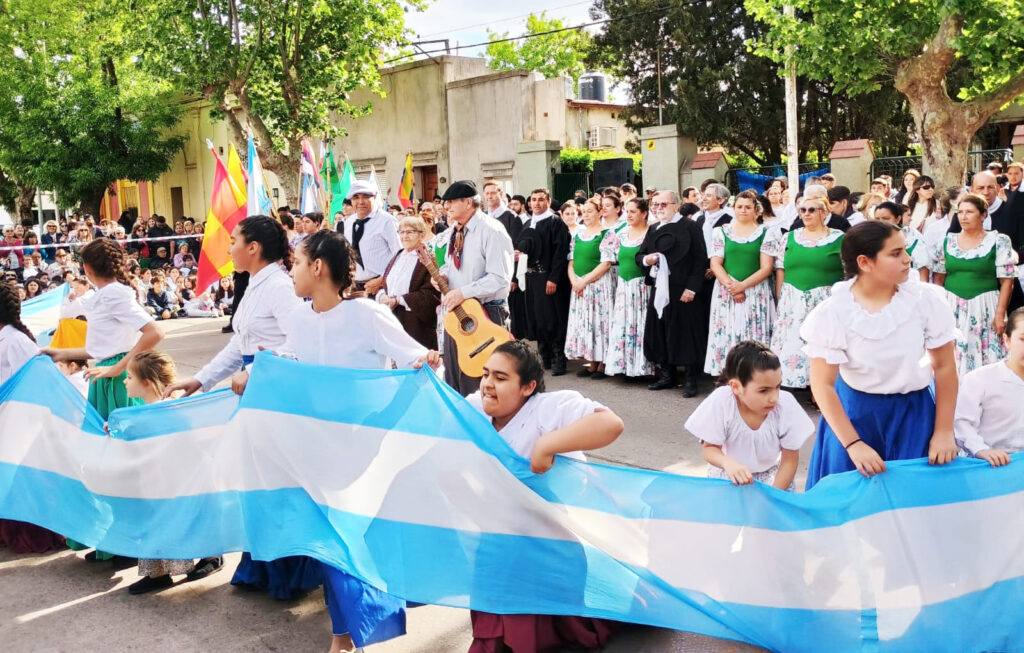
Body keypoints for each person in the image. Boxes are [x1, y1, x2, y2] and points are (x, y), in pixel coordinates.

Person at [233, 230, 439, 653]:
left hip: (361, 450)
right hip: (313, 450)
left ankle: (345, 633)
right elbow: (284, 360)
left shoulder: (366, 314)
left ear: (318, 268)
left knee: (347, 535)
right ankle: (345, 631)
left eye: (296, 262)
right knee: (330, 539)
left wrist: (418, 375)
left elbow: (414, 359)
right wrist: (247, 376)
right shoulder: (303, 319)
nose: (291, 271)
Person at [163, 215, 303, 588]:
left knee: (273, 481)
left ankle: (286, 570)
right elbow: (238, 346)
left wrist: (255, 373)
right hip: (252, 394)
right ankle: (259, 564)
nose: (228, 248)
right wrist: (201, 378)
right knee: (253, 480)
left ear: (253, 248)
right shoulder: (256, 284)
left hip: (273, 396)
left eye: (233, 240)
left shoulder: (278, 287)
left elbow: (299, 344)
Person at [466, 340, 624, 653]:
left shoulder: (548, 408)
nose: (487, 385)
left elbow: (611, 424)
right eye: (485, 375)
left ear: (528, 387)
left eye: (500, 378)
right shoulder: (474, 408)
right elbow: (428, 418)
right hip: (497, 545)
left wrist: (547, 444)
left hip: (549, 546)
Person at [802, 221, 959, 488]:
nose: (908, 259)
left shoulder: (926, 300)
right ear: (865, 262)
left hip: (915, 416)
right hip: (854, 417)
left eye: (905, 251)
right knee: (852, 509)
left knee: (911, 503)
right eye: (895, 253)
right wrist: (853, 444)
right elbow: (822, 384)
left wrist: (943, 431)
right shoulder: (833, 312)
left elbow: (944, 366)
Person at [40, 238, 164, 561]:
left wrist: (118, 368)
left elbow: (153, 333)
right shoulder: (104, 296)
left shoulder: (113, 295)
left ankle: (130, 540)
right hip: (105, 380)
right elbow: (101, 348)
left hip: (119, 384)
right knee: (104, 462)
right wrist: (63, 352)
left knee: (119, 462)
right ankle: (119, 538)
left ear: (87, 268)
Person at [119, 350, 199, 594]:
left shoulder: (165, 410)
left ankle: (161, 573)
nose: (124, 381)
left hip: (167, 483)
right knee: (155, 524)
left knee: (162, 524)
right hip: (153, 482)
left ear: (147, 383)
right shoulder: (146, 411)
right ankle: (157, 572)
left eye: (129, 377)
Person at [686, 341, 813, 488]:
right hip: (730, 478)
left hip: (774, 481)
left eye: (778, 387)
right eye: (763, 390)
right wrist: (727, 463)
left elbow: (789, 460)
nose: (774, 398)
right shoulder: (722, 401)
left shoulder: (786, 405)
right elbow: (709, 449)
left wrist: (771, 498)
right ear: (736, 387)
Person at [0, 280, 68, 554]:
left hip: (19, 419)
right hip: (7, 418)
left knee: (22, 479)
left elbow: (33, 383)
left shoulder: (16, 341)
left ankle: (35, 534)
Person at [436, 181, 514, 394]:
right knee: (455, 380)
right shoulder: (455, 230)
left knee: (483, 385)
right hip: (458, 315)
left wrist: (462, 292)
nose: (447, 206)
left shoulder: (491, 230)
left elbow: (500, 278)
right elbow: (454, 264)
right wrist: (444, 275)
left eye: (451, 202)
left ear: (468, 202)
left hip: (487, 314)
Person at [930, 194, 1018, 375]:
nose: (963, 216)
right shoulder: (946, 242)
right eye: (960, 212)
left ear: (983, 215)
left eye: (969, 212)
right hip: (953, 306)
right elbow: (938, 280)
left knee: (988, 359)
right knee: (954, 356)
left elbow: (1007, 281)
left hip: (986, 306)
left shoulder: (999, 241)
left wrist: (1000, 314)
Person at [639, 191, 709, 397]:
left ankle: (689, 378)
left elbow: (699, 259)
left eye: (663, 204)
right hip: (660, 288)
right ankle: (667, 375)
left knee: (685, 333)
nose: (659, 208)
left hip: (683, 289)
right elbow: (640, 255)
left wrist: (692, 288)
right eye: (655, 205)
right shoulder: (653, 229)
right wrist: (647, 259)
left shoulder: (690, 227)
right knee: (660, 330)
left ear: (676, 205)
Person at [704, 190, 781, 376]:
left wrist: (742, 286)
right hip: (726, 291)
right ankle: (728, 373)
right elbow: (715, 263)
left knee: (753, 332)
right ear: (733, 209)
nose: (743, 210)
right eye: (739, 207)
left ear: (757, 211)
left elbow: (766, 268)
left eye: (748, 207)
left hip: (755, 291)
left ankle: (755, 374)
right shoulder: (721, 232)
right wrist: (732, 286)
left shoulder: (766, 233)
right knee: (727, 331)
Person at [954, 308, 1024, 465]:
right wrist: (981, 449)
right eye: (1023, 339)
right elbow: (962, 423)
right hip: (990, 466)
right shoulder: (980, 379)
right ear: (1006, 340)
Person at [518, 188, 571, 376]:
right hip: (531, 278)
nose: (537, 203)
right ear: (529, 203)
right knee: (537, 319)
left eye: (541, 199)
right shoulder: (527, 224)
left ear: (548, 202)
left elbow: (560, 253)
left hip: (549, 277)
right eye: (534, 200)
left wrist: (553, 278)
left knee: (553, 318)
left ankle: (559, 359)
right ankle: (544, 357)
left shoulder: (555, 223)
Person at [564, 199, 618, 378]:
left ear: (599, 212)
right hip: (579, 285)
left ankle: (602, 363)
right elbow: (571, 262)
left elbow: (606, 263)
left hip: (598, 284)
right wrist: (574, 281)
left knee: (599, 321)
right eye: (584, 212)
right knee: (586, 323)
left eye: (590, 211)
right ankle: (591, 361)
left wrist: (584, 281)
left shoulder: (607, 234)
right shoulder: (577, 235)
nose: (586, 215)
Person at [605, 198, 654, 378]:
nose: (629, 215)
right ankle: (625, 367)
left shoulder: (651, 232)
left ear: (644, 213)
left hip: (642, 287)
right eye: (627, 211)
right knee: (624, 324)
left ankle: (645, 368)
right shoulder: (621, 233)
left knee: (641, 325)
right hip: (624, 287)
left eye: (633, 211)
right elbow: (608, 256)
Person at [376, 216, 441, 349]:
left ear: (422, 235)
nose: (405, 236)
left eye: (410, 232)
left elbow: (431, 295)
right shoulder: (399, 255)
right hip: (393, 319)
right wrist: (382, 295)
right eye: (401, 232)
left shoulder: (428, 258)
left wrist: (399, 300)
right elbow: (387, 282)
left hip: (415, 325)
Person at [484, 181, 528, 340]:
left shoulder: (512, 218)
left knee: (507, 321)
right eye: (487, 193)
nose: (489, 196)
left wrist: (513, 277)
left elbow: (514, 250)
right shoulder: (483, 216)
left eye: (493, 193)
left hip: (505, 277)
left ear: (500, 194)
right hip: (486, 276)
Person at [341, 181, 400, 295]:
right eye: (356, 197)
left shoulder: (387, 221)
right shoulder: (349, 222)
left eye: (366, 197)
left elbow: (399, 255)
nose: (361, 202)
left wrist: (382, 280)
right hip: (355, 285)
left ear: (375, 197)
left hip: (381, 287)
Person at [871, 201, 930, 280]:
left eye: (886, 219)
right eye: (877, 219)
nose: (881, 222)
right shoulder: (870, 238)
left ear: (898, 219)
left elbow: (923, 270)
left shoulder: (912, 238)